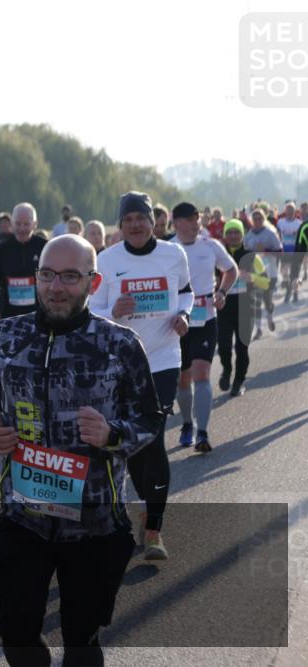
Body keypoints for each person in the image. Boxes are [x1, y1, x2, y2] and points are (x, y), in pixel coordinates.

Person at [0, 235, 163, 667]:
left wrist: (112, 434)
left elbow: (150, 419)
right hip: (22, 518)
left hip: (95, 524)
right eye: (46, 274)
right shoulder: (7, 335)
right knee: (18, 635)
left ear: (92, 283)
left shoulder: (119, 344)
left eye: (69, 277)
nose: (55, 287)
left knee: (81, 640)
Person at [90, 191, 193, 561]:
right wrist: (113, 311)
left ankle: (153, 530)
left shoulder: (173, 254)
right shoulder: (106, 259)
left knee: (155, 440)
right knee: (131, 444)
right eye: (128, 219)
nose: (135, 225)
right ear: (121, 225)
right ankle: (145, 510)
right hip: (123, 365)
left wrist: (184, 316)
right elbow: (93, 310)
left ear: (154, 222)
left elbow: (186, 293)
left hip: (164, 359)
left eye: (142, 218)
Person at [169, 203, 237, 453]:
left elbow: (230, 270)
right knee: (182, 380)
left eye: (197, 218)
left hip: (205, 319)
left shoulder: (210, 245)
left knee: (201, 373)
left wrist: (221, 291)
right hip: (176, 323)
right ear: (176, 223)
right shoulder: (167, 249)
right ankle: (187, 423)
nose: (196, 223)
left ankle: (203, 433)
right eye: (189, 219)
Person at [219, 219, 270, 397]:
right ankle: (226, 369)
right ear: (225, 235)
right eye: (230, 232)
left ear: (242, 235)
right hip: (223, 310)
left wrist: (253, 278)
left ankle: (239, 381)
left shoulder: (251, 256)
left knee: (242, 349)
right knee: (224, 347)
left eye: (236, 232)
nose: (233, 236)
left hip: (245, 309)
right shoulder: (219, 256)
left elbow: (266, 283)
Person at [0, 203, 47, 330]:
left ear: (35, 224)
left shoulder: (45, 247)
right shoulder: (2, 249)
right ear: (12, 224)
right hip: (8, 314)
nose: (22, 228)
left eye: (26, 224)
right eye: (18, 223)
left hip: (39, 314)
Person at [244, 208, 281, 337]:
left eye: (260, 219)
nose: (258, 221)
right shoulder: (248, 236)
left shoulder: (270, 233)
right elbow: (243, 254)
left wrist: (266, 250)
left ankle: (270, 317)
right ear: (252, 221)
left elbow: (280, 251)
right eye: (255, 219)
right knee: (256, 302)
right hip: (255, 274)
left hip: (270, 272)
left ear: (263, 219)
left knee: (267, 299)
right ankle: (259, 329)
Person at [277, 202, 303, 303]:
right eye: (288, 210)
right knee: (284, 273)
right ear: (285, 211)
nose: (289, 212)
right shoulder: (280, 222)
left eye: (291, 210)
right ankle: (289, 288)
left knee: (295, 275)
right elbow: (278, 236)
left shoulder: (299, 223)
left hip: (295, 253)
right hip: (284, 252)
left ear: (294, 211)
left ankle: (294, 294)